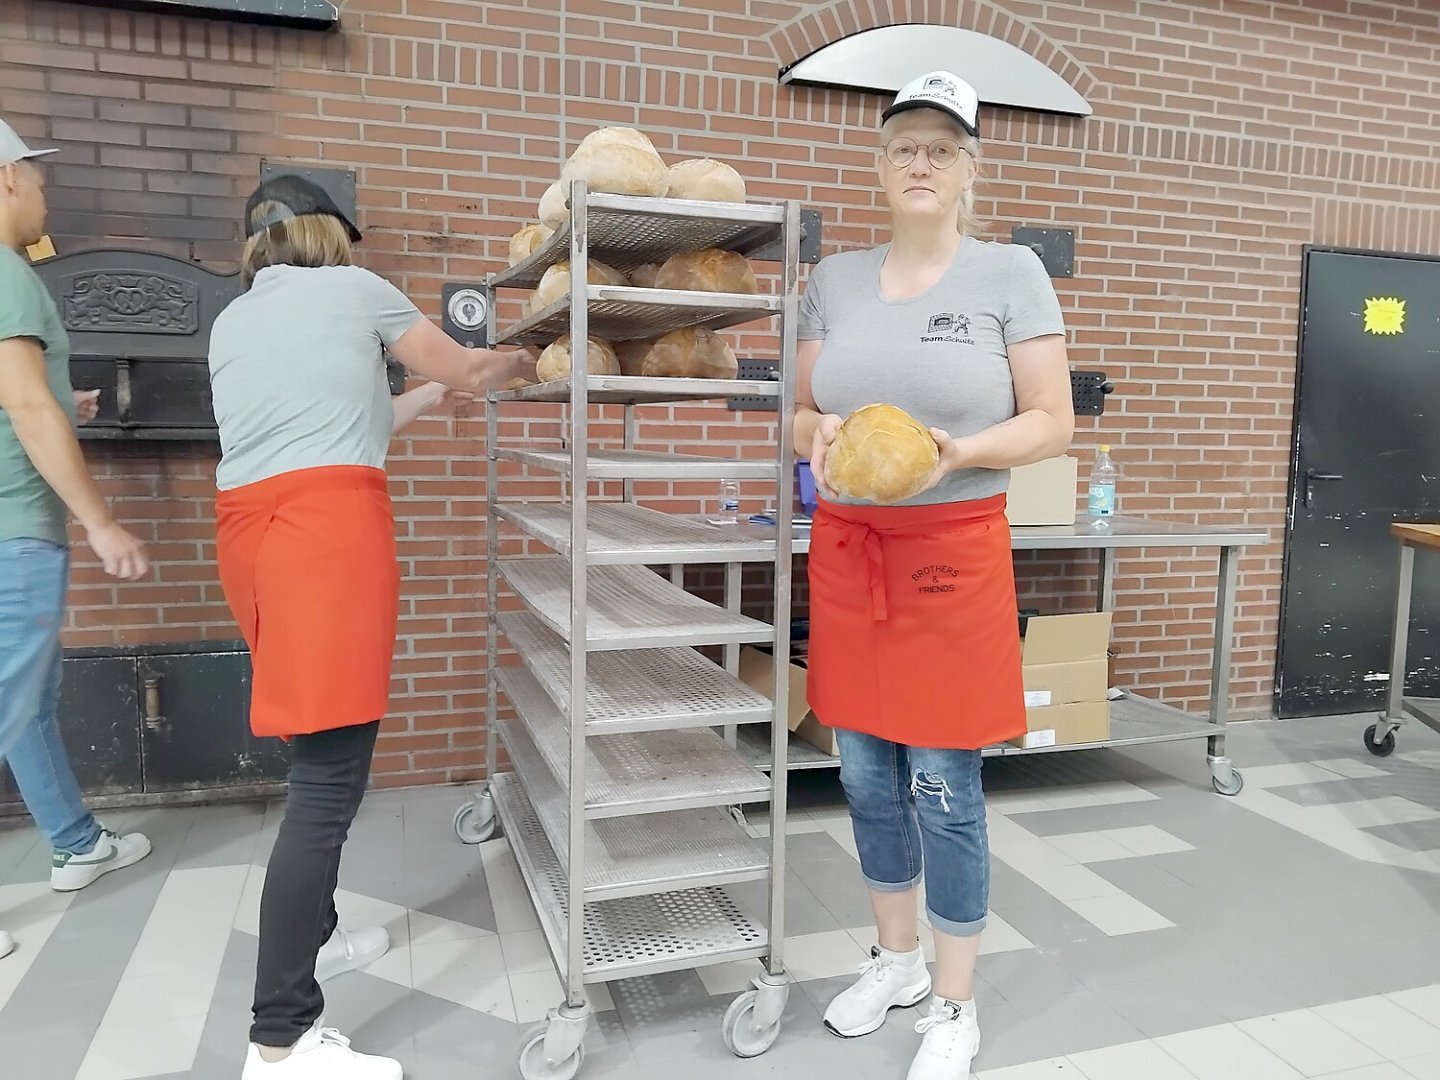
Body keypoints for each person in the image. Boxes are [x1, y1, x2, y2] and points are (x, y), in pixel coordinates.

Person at [212, 174, 535, 1080]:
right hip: (325, 543)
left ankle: (308, 951)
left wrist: (434, 399)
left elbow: (344, 424)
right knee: (325, 787)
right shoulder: (356, 291)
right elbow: (469, 364)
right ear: (329, 235)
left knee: (313, 758)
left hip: (255, 539)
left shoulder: (235, 320)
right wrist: (513, 362)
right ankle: (280, 1040)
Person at [795, 72, 1075, 1080]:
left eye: (943, 147)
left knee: (945, 783)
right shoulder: (832, 277)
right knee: (865, 772)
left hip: (953, 551)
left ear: (969, 170)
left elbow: (1052, 419)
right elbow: (799, 413)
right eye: (904, 144)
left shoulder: (1010, 273)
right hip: (848, 549)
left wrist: (958, 453)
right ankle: (895, 961)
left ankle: (955, 1005)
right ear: (879, 167)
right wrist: (819, 429)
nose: (922, 161)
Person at [0, 119, 154, 963]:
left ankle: (74, 841)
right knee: (10, 701)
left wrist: (66, 407)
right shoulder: (6, 275)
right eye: (35, 175)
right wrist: (99, 520)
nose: (43, 192)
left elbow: (21, 399)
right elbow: (21, 408)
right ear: (5, 181)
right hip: (14, 531)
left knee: (25, 699)